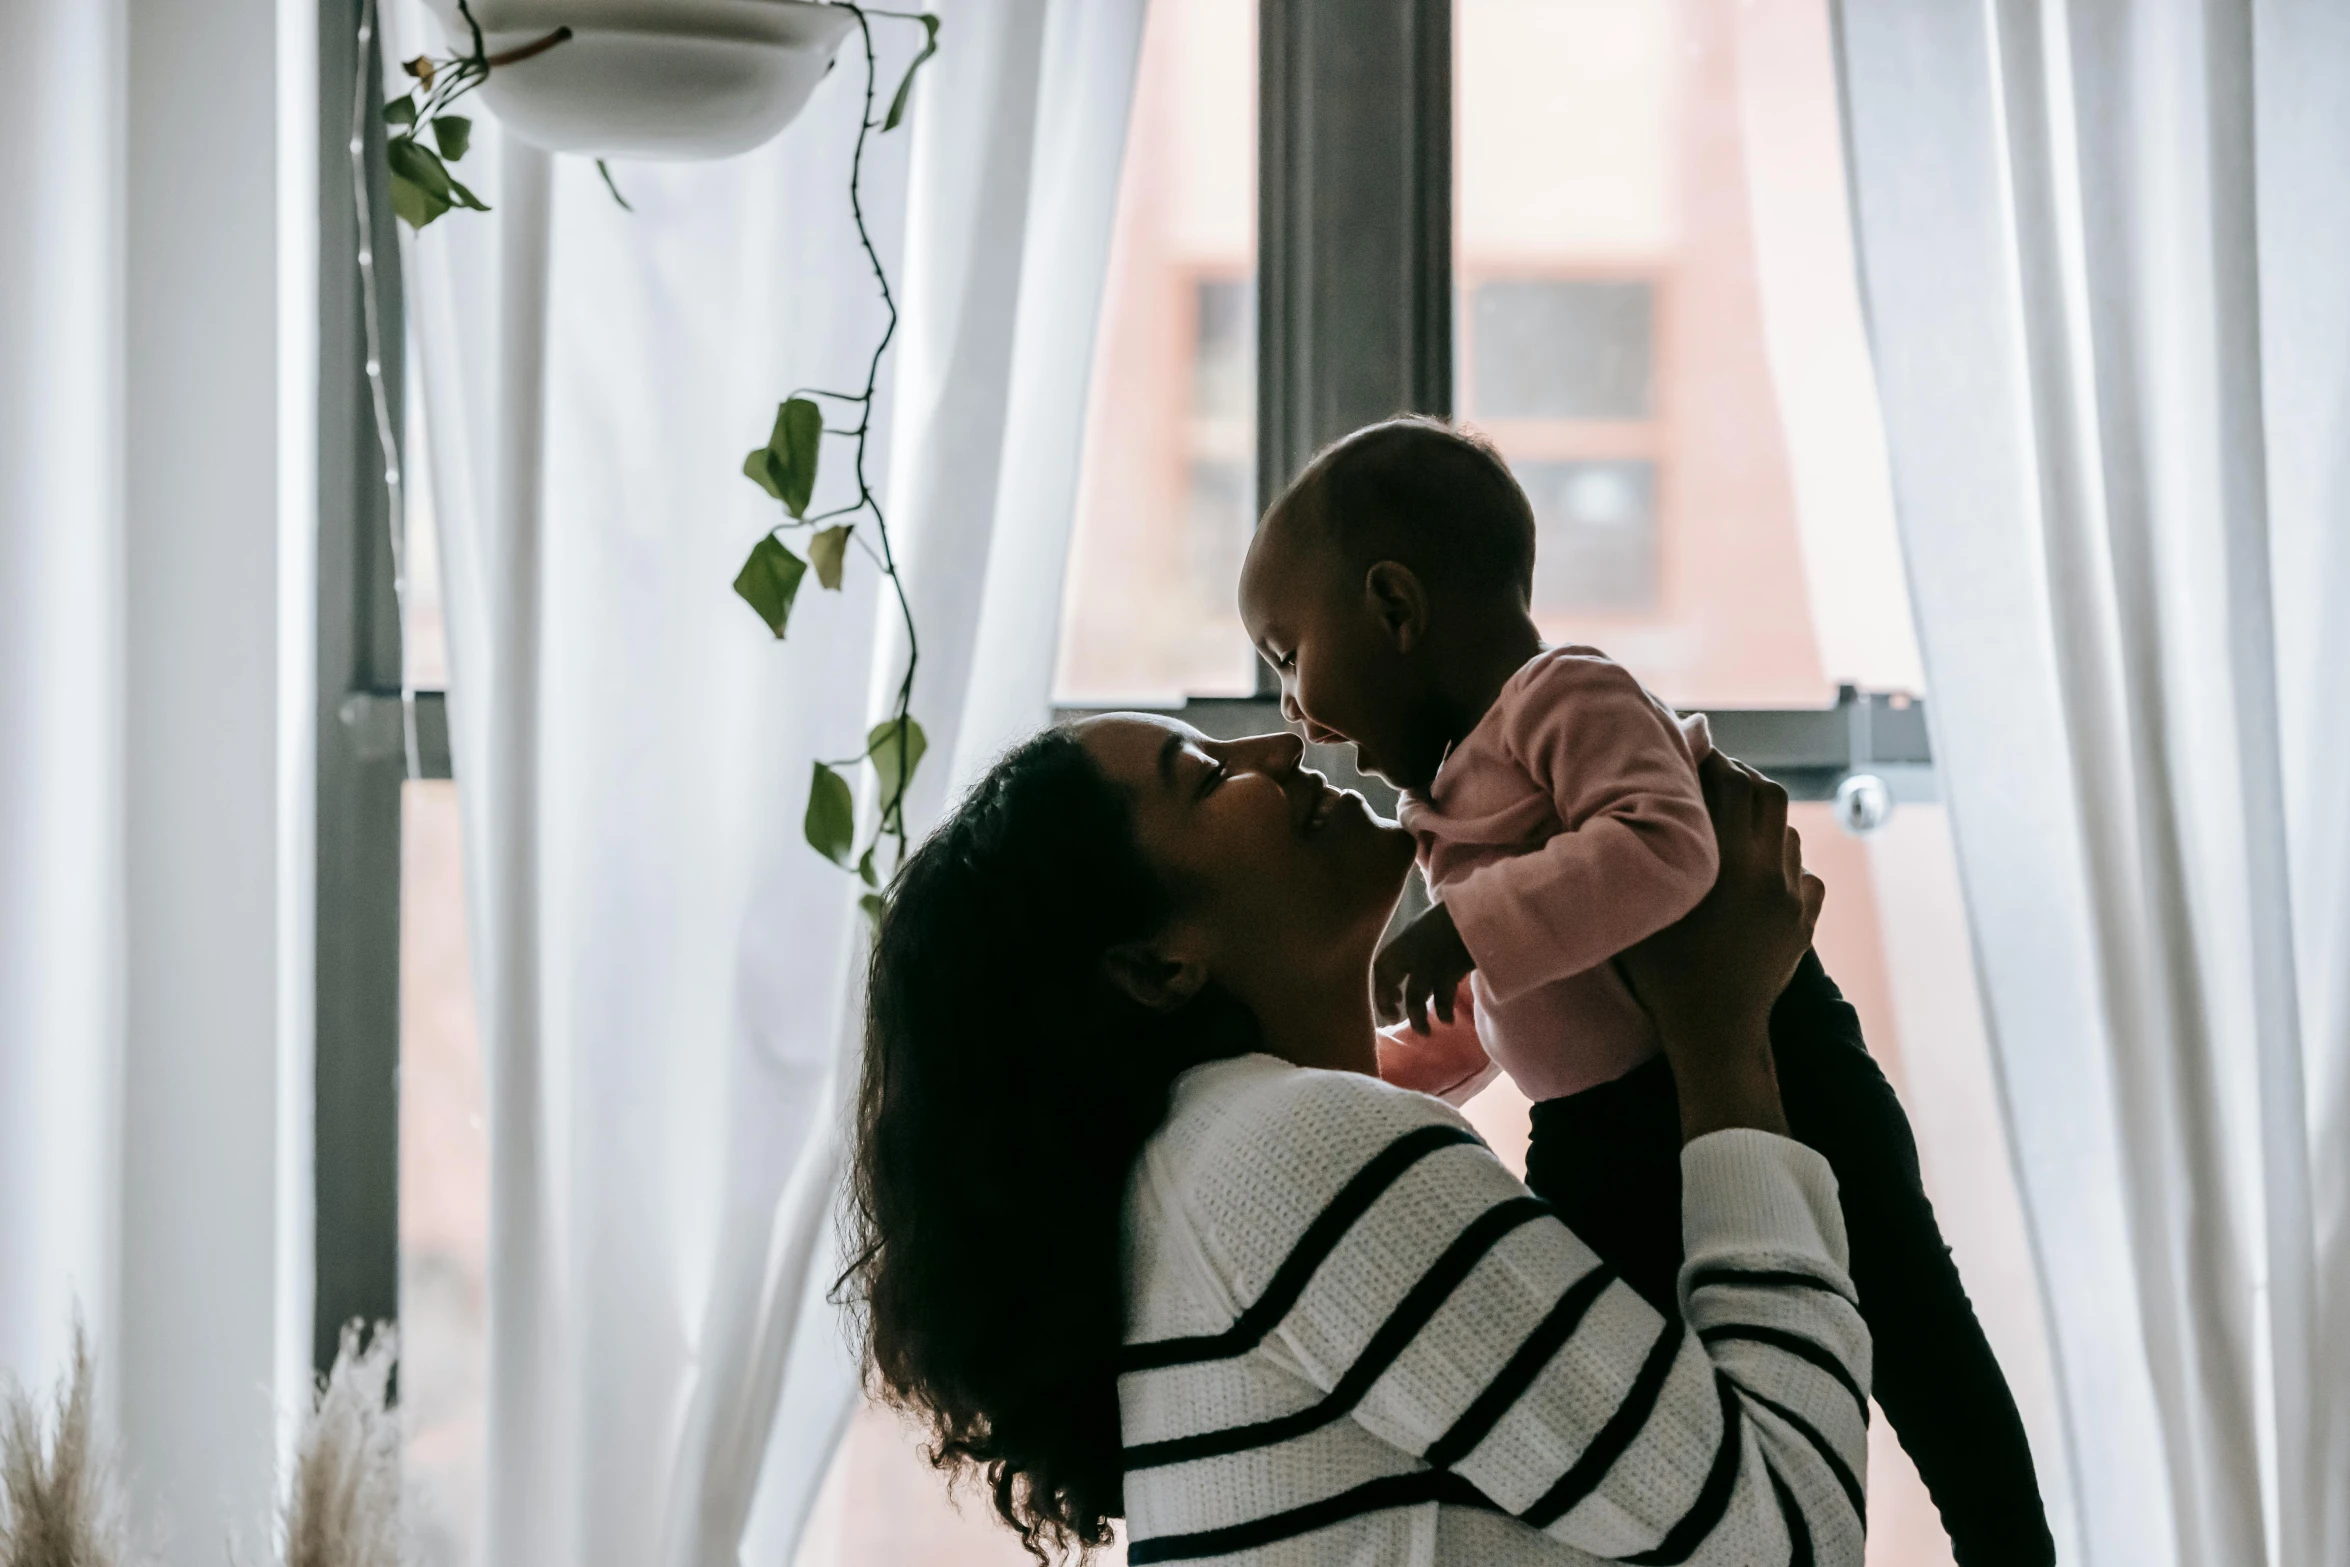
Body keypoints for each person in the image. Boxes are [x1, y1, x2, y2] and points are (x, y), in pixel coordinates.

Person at [1235, 414, 2053, 1566]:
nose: (1290, 709)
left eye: (1284, 654)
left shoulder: (1561, 699)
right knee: (1619, 1408)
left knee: (1918, 1343)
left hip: (1781, 1067)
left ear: (1394, 607)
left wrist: (1464, 925)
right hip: (1602, 1131)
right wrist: (1431, 1055)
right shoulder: (1458, 792)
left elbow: (1669, 851)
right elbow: (1555, 979)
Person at [845, 715, 1870, 1564]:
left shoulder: (1199, 1177)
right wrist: (1723, 1035)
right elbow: (1788, 1534)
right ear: (1159, 968)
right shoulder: (1293, 1153)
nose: (1280, 748)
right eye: (1207, 777)